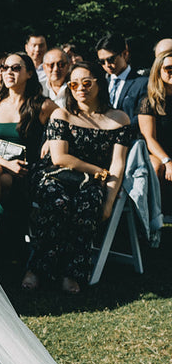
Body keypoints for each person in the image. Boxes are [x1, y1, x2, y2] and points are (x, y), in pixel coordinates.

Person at [25, 61, 132, 294]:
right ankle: (37, 269)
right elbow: (60, 158)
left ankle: (71, 272)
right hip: (55, 174)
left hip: (92, 182)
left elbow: (118, 164)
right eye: (73, 84)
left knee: (89, 204)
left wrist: (109, 202)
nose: (80, 88)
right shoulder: (61, 114)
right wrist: (97, 170)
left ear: (99, 84)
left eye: (86, 83)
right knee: (58, 202)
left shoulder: (119, 119)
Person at [0, 52, 56, 257]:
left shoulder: (41, 105)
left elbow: (65, 124)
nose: (9, 72)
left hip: (24, 175)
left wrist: (50, 140)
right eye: (5, 68)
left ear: (29, 74)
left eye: (16, 68)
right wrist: (7, 164)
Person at [138, 50, 172, 207]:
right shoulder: (149, 102)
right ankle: (157, 212)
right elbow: (149, 138)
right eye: (169, 69)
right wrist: (168, 161)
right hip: (157, 153)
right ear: (158, 71)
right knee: (157, 166)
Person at [96, 33, 148, 129]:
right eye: (102, 62)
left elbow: (142, 117)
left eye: (111, 59)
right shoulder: (101, 84)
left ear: (124, 54)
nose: (107, 65)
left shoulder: (142, 83)